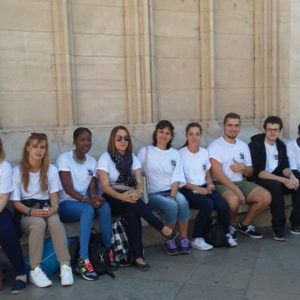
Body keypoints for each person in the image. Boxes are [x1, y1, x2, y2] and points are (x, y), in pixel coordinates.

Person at [97, 125, 177, 271]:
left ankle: (138, 256)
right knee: (132, 205)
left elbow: (139, 182)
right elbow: (105, 187)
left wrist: (138, 192)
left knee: (132, 210)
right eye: (119, 138)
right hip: (111, 196)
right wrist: (122, 196)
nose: (123, 141)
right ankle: (161, 228)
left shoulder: (132, 158)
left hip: (130, 195)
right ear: (112, 140)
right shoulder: (105, 158)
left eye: (126, 138)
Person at [11, 133, 73, 288]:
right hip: (26, 212)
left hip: (46, 208)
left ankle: (65, 266)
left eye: (42, 147)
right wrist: (31, 212)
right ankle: (35, 269)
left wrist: (54, 209)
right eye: (35, 146)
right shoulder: (17, 171)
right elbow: (16, 202)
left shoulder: (50, 169)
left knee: (54, 219)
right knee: (38, 223)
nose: (39, 150)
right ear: (28, 148)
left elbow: (53, 197)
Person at [57, 127, 114, 281]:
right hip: (66, 205)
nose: (86, 143)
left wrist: (94, 197)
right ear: (75, 141)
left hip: (84, 203)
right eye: (82, 140)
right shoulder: (64, 158)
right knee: (87, 210)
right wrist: (87, 201)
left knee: (105, 206)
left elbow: (91, 185)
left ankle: (108, 250)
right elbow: (68, 189)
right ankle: (83, 259)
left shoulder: (92, 161)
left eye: (88, 139)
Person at [207, 112, 271, 240]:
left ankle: (245, 224)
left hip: (241, 182)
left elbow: (251, 172)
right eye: (230, 125)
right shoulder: (215, 146)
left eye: (236, 125)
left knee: (266, 197)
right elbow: (219, 176)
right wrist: (238, 192)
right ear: (223, 126)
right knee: (234, 200)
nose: (233, 128)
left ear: (239, 127)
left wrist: (243, 168)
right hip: (222, 185)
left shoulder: (243, 146)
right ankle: (230, 225)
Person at [179, 123, 237, 250]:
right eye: (191, 134)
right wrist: (198, 189)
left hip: (204, 186)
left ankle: (225, 233)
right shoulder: (180, 154)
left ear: (200, 136)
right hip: (188, 189)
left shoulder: (204, 152)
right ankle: (196, 238)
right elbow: (180, 181)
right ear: (186, 136)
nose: (194, 137)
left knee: (222, 204)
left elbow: (207, 175)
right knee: (207, 204)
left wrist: (210, 184)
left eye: (197, 134)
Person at [138, 120, 191, 255]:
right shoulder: (145, 151)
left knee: (183, 202)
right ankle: (169, 239)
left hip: (170, 190)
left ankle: (184, 238)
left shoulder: (174, 153)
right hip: (153, 194)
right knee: (172, 206)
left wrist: (173, 195)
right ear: (156, 133)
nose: (164, 135)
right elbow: (138, 174)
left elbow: (176, 177)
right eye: (161, 132)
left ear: (171, 137)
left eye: (168, 133)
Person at [249, 116, 300, 241]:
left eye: (276, 130)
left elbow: (284, 168)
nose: (272, 132)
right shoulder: (255, 144)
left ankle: (296, 222)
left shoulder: (280, 145)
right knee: (276, 186)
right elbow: (260, 172)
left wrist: (292, 177)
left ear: (280, 130)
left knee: (297, 182)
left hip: (275, 177)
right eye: (270, 129)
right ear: (265, 130)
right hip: (258, 179)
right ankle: (278, 229)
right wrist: (284, 180)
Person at [0, 138, 27, 294]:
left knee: (6, 230)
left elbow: (3, 198)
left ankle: (20, 273)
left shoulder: (4, 167)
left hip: (0, 209)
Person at [286, 123, 300, 234]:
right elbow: (294, 170)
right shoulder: (290, 145)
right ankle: (296, 222)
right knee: (298, 185)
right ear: (299, 133)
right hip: (292, 175)